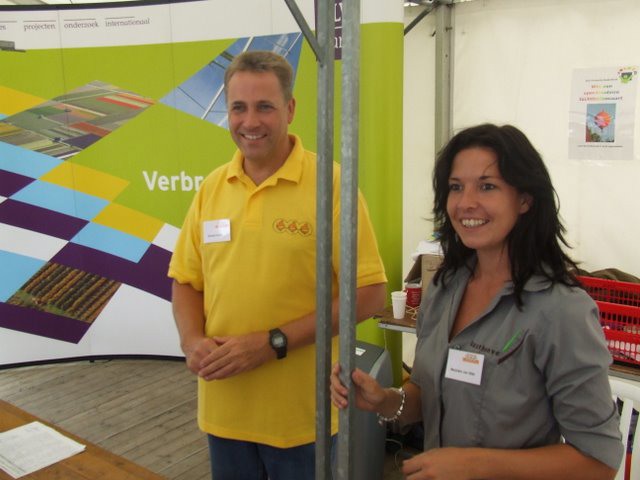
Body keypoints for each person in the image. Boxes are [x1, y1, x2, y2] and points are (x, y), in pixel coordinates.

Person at [330, 124, 623, 479]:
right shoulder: (444, 287)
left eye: (487, 186)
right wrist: (387, 400)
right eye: (456, 187)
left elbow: (598, 461)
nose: (465, 202)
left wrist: (473, 464)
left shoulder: (561, 310)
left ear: (525, 199)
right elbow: (426, 392)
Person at [168, 50, 387, 479]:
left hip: (302, 420)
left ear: (290, 109)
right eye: (239, 107)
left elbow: (369, 294)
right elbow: (186, 280)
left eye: (264, 106)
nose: (250, 121)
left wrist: (273, 343)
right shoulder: (213, 187)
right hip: (225, 410)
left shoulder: (332, 184)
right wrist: (191, 340)